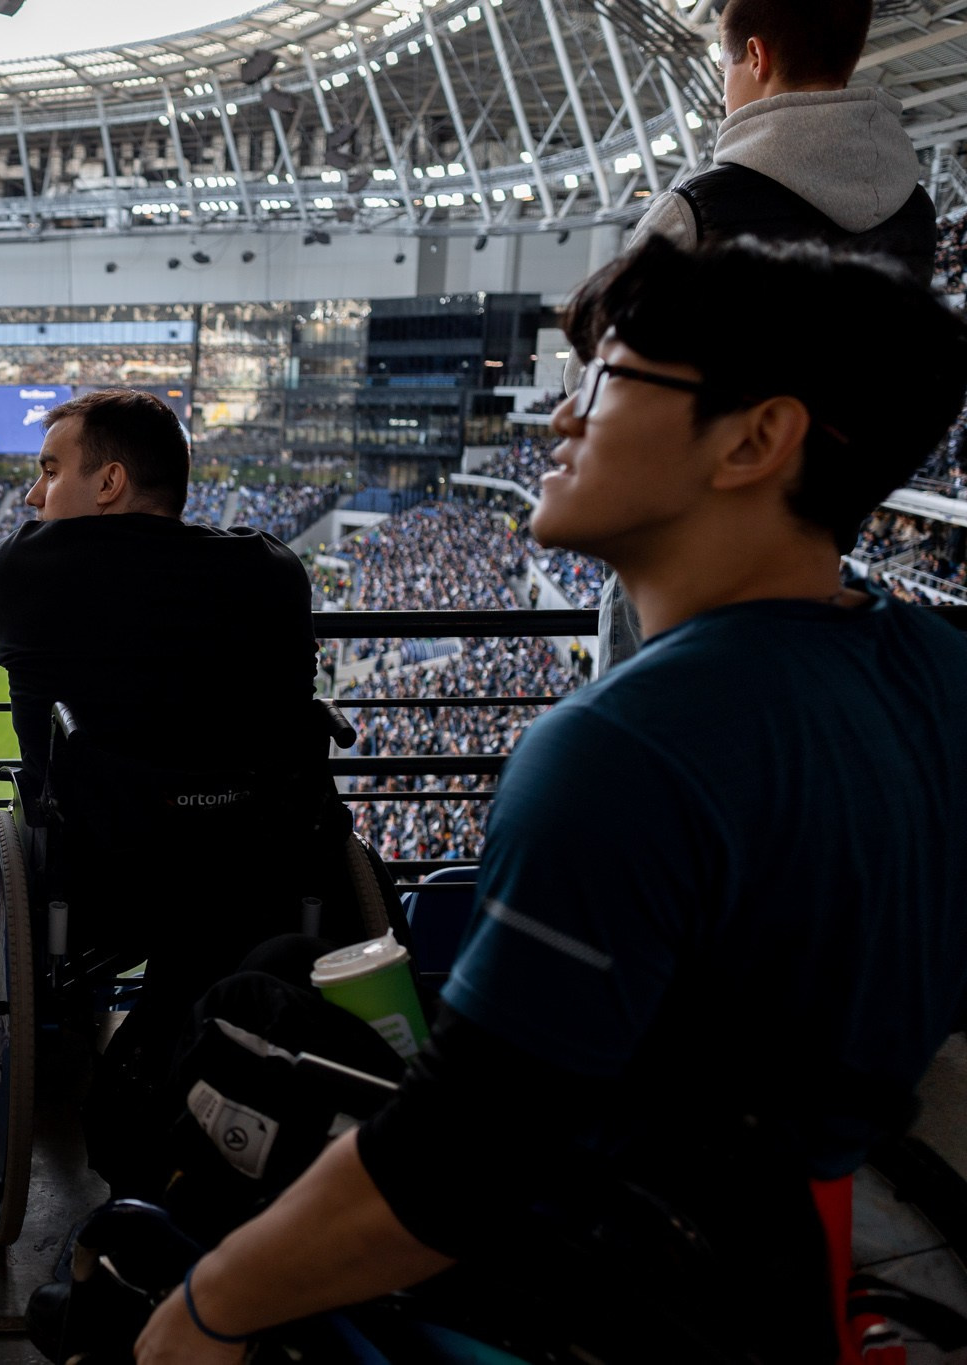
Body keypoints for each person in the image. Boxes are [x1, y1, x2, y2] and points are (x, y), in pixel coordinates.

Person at [136, 237, 967, 1364]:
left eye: (607, 380)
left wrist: (199, 1311)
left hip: (627, 1286)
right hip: (790, 1252)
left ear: (755, 439)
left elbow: (452, 1173)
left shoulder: (622, 750)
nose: (558, 422)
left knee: (134, 1253)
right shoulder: (930, 668)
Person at [0, 390, 335, 1161]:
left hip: (101, 875)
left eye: (48, 471)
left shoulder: (20, 570)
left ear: (107, 482)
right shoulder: (272, 570)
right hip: (254, 864)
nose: (34, 495)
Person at [598, 0, 937, 672]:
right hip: (816, 552)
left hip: (687, 553)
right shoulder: (917, 216)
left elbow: (606, 382)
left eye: (725, 66)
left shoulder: (699, 209)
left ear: (755, 57)